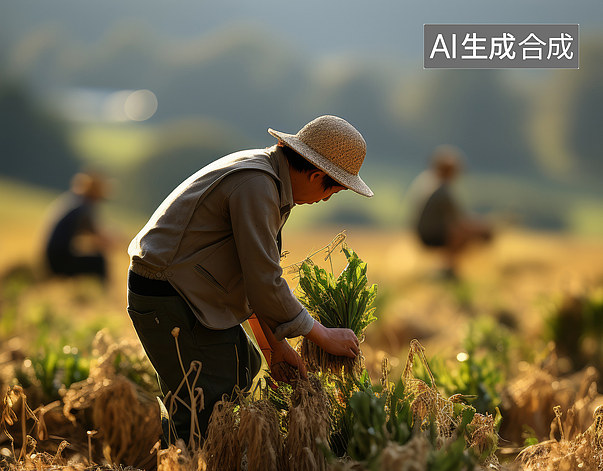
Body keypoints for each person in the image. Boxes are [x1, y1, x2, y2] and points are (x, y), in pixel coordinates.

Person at [127, 114, 373, 445]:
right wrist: (322, 335)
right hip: (168, 293)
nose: (326, 200)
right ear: (317, 175)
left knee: (244, 365)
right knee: (208, 399)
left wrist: (276, 347)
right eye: (333, 191)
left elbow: (247, 277)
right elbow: (264, 280)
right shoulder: (257, 186)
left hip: (185, 289)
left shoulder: (266, 177)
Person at [407, 146, 492, 279]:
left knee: (461, 229)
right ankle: (449, 269)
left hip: (421, 232)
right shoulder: (442, 190)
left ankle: (448, 269)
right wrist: (482, 228)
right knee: (462, 232)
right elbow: (460, 221)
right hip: (430, 235)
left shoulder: (428, 181)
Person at [42, 171, 112, 282]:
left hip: (50, 259)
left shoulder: (74, 202)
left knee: (92, 257)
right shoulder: (83, 207)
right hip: (58, 261)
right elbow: (98, 236)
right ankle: (103, 295)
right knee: (99, 261)